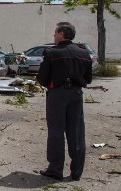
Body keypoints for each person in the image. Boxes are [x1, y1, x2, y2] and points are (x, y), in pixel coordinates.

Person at [37, 22, 92, 181]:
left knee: (56, 131)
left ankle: (55, 169)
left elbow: (42, 77)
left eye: (55, 33)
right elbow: (88, 78)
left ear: (61, 34)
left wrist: (51, 84)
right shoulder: (83, 53)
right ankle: (76, 172)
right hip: (76, 94)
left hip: (57, 94)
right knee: (76, 131)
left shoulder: (52, 53)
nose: (54, 36)